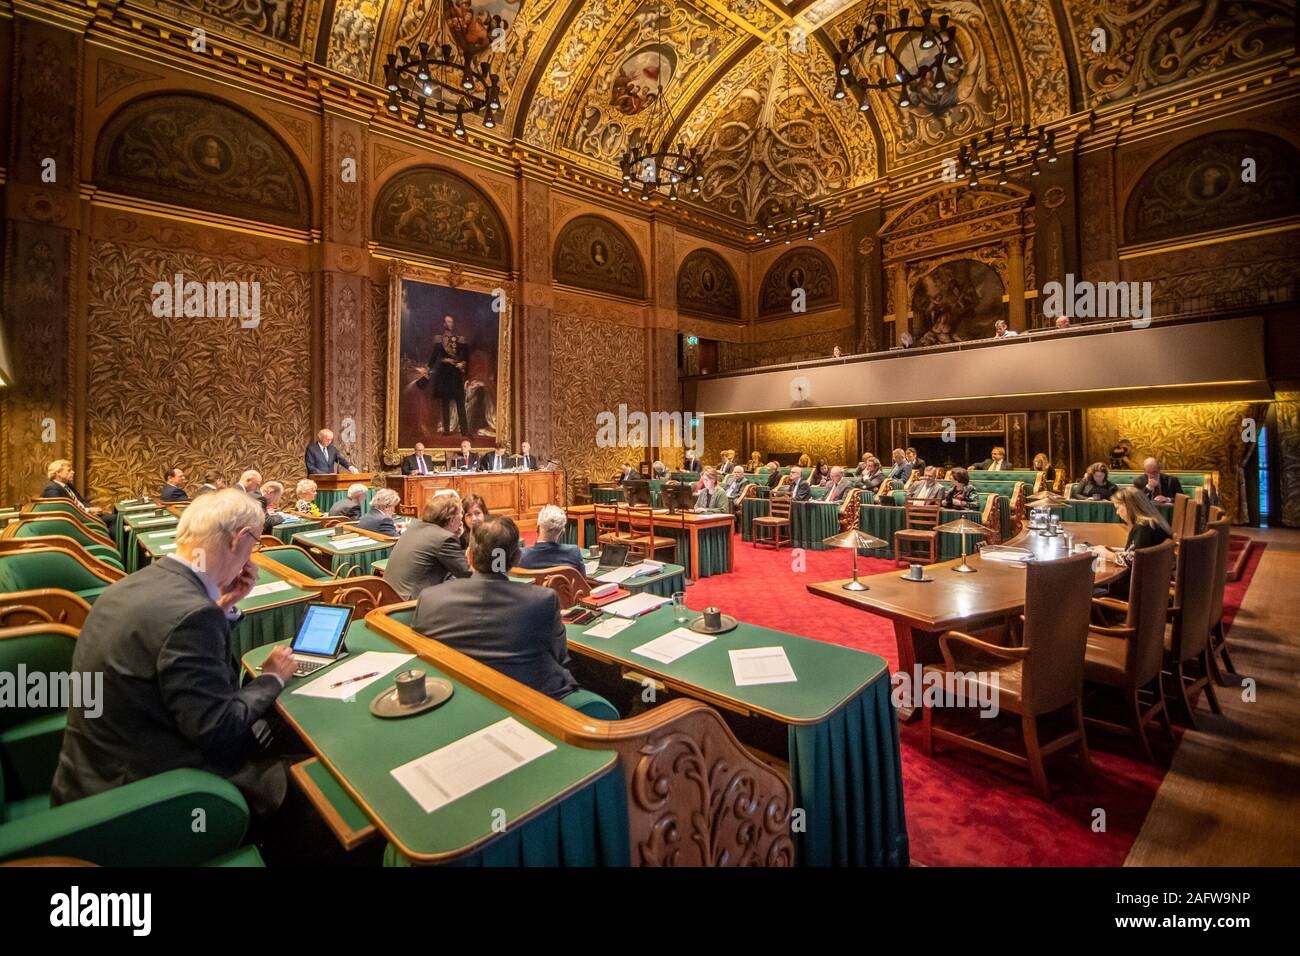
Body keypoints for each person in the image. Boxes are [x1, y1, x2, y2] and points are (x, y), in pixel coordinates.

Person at [50, 489, 296, 816]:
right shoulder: (194, 616)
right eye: (256, 545)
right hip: (152, 797)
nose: (253, 556)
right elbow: (219, 729)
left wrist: (222, 605)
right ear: (239, 540)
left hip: (92, 776)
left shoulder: (131, 585)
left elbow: (173, 649)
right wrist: (272, 677)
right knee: (308, 780)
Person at [412, 516, 578, 701]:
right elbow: (560, 656)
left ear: (468, 556)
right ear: (517, 558)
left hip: (456, 696)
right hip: (532, 700)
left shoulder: (429, 598)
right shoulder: (543, 600)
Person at [383, 493, 471, 600]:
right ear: (452, 520)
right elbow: (466, 573)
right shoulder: (444, 538)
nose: (462, 517)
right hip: (410, 604)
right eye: (461, 513)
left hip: (388, 596)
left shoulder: (415, 527)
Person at [430, 313, 470, 437]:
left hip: (456, 373)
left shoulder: (460, 339)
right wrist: (428, 368)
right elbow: (434, 357)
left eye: (451, 322)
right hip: (444, 373)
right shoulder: (439, 339)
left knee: (460, 401)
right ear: (444, 324)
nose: (450, 324)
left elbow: (466, 356)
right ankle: (446, 430)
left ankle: (465, 430)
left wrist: (463, 364)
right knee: (445, 402)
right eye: (448, 322)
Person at [517, 504, 585, 576]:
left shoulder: (522, 556)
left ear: (537, 528)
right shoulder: (573, 553)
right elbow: (583, 582)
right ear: (562, 532)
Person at [41, 459, 106, 523]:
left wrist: (93, 509)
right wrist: (89, 510)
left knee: (114, 517)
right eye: (69, 470)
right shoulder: (52, 489)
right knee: (113, 519)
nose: (73, 472)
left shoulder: (68, 485)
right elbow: (60, 512)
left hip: (84, 516)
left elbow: (81, 502)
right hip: (76, 521)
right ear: (58, 473)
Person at [1114, 484, 1172, 552]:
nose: (1117, 512)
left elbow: (1131, 560)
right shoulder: (1149, 522)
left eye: (1117, 508)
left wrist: (1107, 554)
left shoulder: (1144, 527)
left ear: (1128, 506)